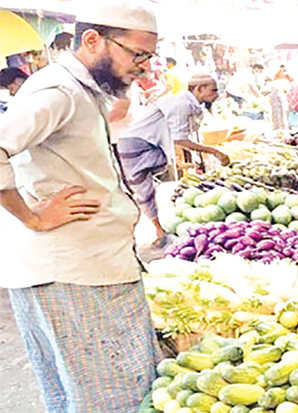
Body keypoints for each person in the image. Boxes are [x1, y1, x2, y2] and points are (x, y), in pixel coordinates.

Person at [0, 2, 161, 411]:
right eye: (137, 55)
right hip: (72, 273)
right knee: (111, 396)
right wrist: (33, 216)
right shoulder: (58, 91)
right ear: (92, 40)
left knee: (78, 395)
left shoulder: (82, 90)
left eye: (149, 57)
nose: (144, 67)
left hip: (83, 268)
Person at [118, 73, 230, 243]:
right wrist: (214, 151)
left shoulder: (188, 103)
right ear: (199, 89)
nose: (216, 94)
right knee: (143, 191)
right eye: (213, 90)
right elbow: (179, 139)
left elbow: (180, 135)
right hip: (136, 144)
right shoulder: (182, 104)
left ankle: (156, 229)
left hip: (147, 143)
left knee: (146, 189)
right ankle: (156, 231)